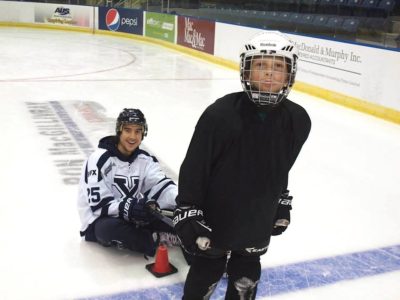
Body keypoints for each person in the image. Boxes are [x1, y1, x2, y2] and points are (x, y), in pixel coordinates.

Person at [173, 31, 312, 299]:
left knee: (246, 277)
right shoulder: (219, 115)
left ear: (289, 74)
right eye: (260, 65)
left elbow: (280, 166)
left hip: (256, 218)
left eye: (278, 67)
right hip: (215, 217)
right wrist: (188, 207)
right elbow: (195, 167)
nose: (269, 74)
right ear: (247, 71)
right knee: (205, 273)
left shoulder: (298, 120)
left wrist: (280, 197)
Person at [77, 108, 179, 257]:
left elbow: (161, 186)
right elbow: (98, 206)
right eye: (128, 130)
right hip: (99, 221)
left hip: (129, 216)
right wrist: (128, 208)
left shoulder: (145, 160)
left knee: (174, 216)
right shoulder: (98, 159)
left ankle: (158, 234)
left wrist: (182, 200)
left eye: (138, 131)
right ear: (119, 131)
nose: (133, 136)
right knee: (110, 228)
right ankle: (154, 238)